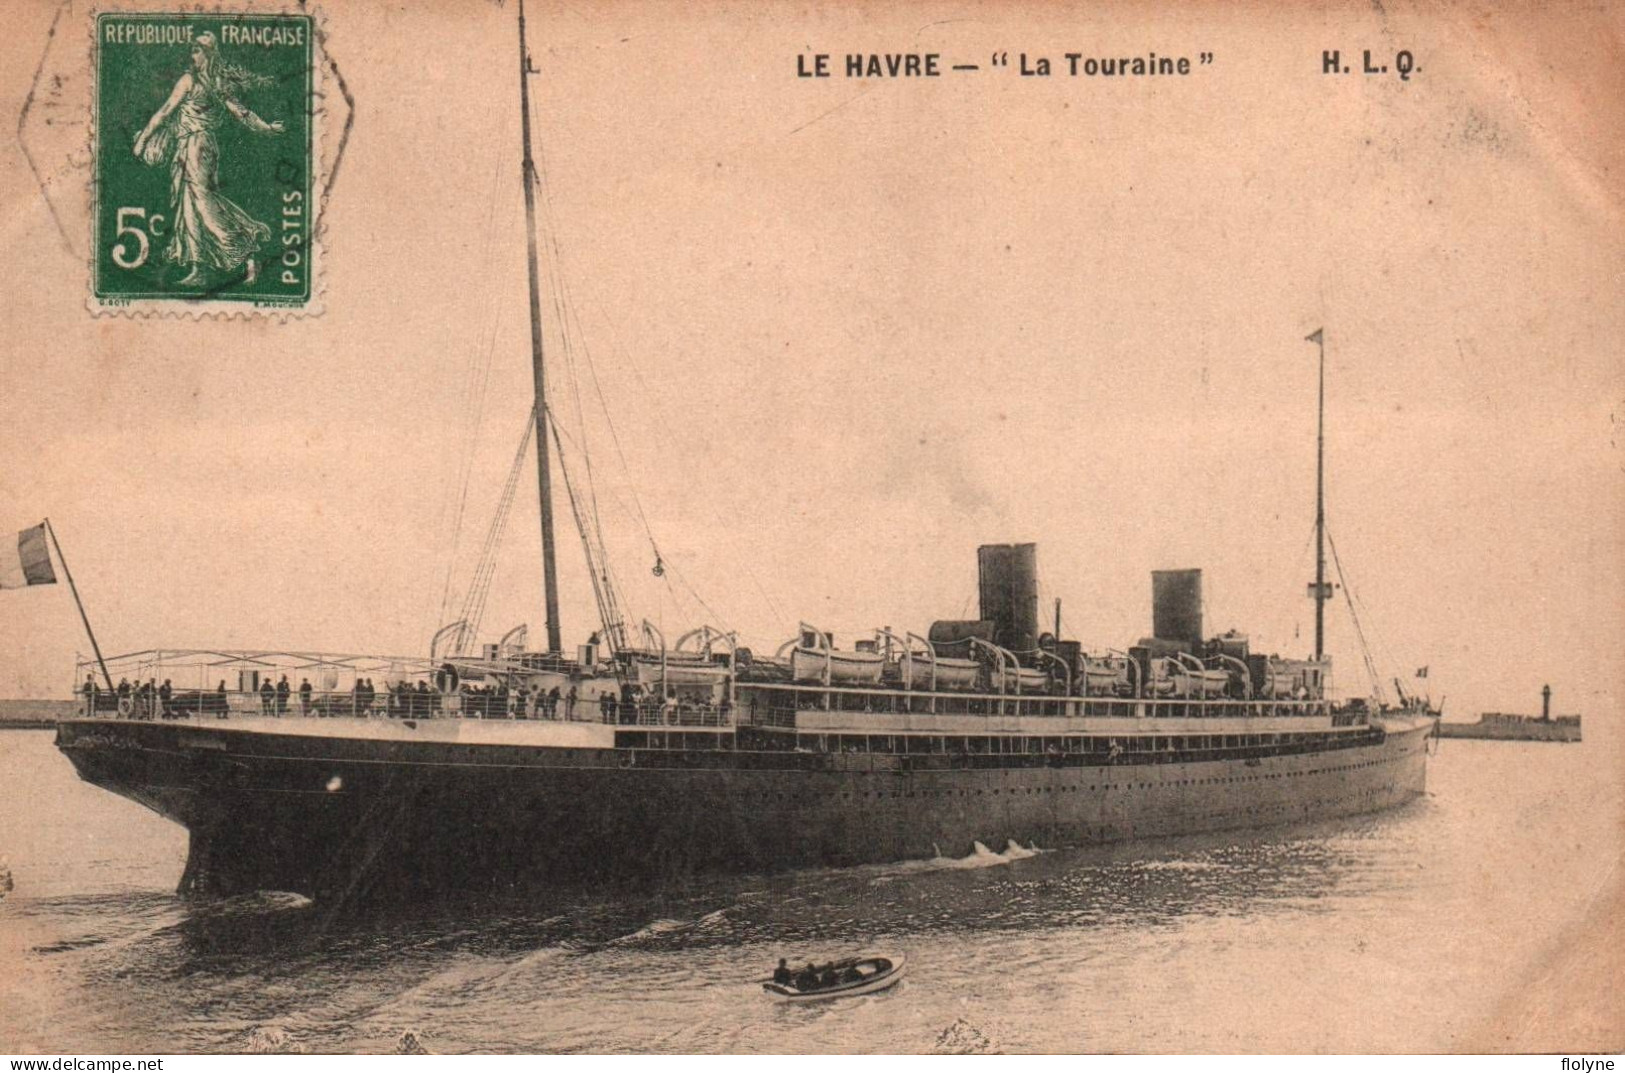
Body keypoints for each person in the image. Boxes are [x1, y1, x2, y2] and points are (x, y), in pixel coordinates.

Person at [130, 32, 284, 286]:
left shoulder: (194, 81)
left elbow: (167, 111)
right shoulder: (212, 82)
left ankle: (245, 246)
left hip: (197, 146)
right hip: (193, 146)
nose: (193, 54)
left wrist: (141, 140)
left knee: (202, 203)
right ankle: (199, 268)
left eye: (198, 50)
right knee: (190, 205)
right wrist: (266, 128)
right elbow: (240, 113)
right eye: (192, 49)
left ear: (209, 53)